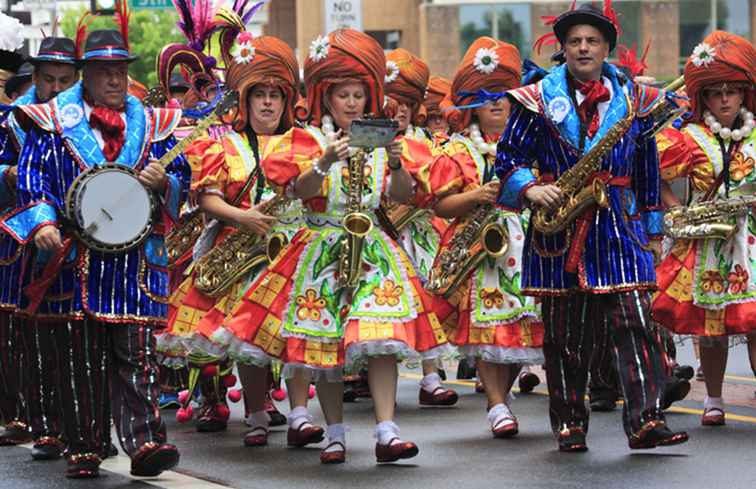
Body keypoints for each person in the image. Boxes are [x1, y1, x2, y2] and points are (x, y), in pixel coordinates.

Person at [211, 28, 449, 464]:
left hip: (373, 249)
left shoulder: (385, 142)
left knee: (380, 335)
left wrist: (396, 163)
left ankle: (386, 429)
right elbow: (299, 192)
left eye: (359, 94)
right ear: (327, 97)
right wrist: (323, 162)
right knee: (324, 344)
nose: (353, 102)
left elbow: (399, 195)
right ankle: (335, 432)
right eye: (343, 95)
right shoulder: (308, 141)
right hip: (320, 248)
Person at [494, 2, 688, 451]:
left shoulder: (634, 100)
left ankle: (645, 420)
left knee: (638, 320)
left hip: (619, 224)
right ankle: (569, 422)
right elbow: (507, 160)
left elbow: (647, 167)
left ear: (606, 49)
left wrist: (654, 230)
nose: (583, 47)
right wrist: (529, 190)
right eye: (575, 41)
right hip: (557, 229)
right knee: (565, 336)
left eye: (592, 41)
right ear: (563, 48)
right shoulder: (535, 98)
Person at [5, 29, 189, 478]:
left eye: (121, 70)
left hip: (136, 260)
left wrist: (164, 181)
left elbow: (181, 171)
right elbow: (33, 179)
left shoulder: (155, 124)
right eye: (105, 70)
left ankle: (145, 441)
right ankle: (84, 445)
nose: (115, 79)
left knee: (139, 355)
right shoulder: (50, 123)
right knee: (80, 360)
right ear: (84, 76)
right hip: (76, 262)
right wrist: (43, 223)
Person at [161, 25, 307, 446]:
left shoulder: (304, 142)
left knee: (301, 331)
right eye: (259, 94)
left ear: (286, 101)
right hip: (238, 251)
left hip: (293, 247)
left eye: (275, 95)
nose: (267, 102)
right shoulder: (223, 145)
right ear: (245, 100)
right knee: (247, 338)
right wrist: (244, 217)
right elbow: (206, 199)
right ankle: (257, 412)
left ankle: (298, 412)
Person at [418, 37, 544, 438]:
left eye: (502, 96)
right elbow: (439, 206)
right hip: (478, 251)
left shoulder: (532, 146)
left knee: (516, 333)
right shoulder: (456, 150)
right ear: (471, 105)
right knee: (488, 331)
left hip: (527, 244)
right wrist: (476, 196)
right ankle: (496, 405)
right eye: (485, 97)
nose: (495, 104)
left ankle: (501, 399)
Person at [653, 30, 756, 426]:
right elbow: (652, 170)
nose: (726, 98)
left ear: (745, 93)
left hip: (751, 238)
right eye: (716, 92)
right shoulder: (689, 137)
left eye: (733, 90)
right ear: (704, 97)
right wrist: (676, 209)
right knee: (712, 326)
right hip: (709, 239)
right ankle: (713, 399)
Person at [0, 37, 79, 457]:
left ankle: (80, 429)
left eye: (65, 81)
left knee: (74, 339)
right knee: (27, 338)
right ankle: (36, 421)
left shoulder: (90, 122)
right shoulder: (13, 118)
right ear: (36, 78)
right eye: (48, 80)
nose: (56, 89)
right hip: (19, 248)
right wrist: (7, 172)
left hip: (77, 244)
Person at [382, 48, 458, 407]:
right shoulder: (369, 142)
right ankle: (367, 376)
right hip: (380, 235)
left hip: (422, 234)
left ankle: (431, 376)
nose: (399, 110)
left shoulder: (425, 144)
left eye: (406, 105)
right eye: (393, 102)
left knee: (429, 298)